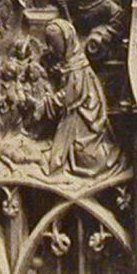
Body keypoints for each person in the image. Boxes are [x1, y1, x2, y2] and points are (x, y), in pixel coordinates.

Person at [43, 17, 122, 179]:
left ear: (67, 42)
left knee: (62, 153)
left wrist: (48, 101)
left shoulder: (76, 68)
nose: (51, 48)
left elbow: (69, 98)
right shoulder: (70, 63)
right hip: (79, 114)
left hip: (83, 120)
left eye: (55, 45)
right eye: (49, 44)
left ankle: (59, 162)